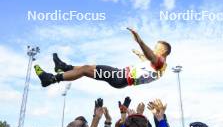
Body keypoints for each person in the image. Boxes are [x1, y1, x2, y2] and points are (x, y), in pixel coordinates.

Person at [34, 28, 171, 89]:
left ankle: (51, 79)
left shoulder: (161, 61)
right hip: (121, 76)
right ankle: (64, 67)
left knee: (85, 70)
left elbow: (151, 57)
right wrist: (139, 53)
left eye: (156, 47)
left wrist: (140, 41)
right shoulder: (159, 67)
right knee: (87, 68)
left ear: (163, 51)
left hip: (120, 77)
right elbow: (147, 61)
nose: (154, 48)